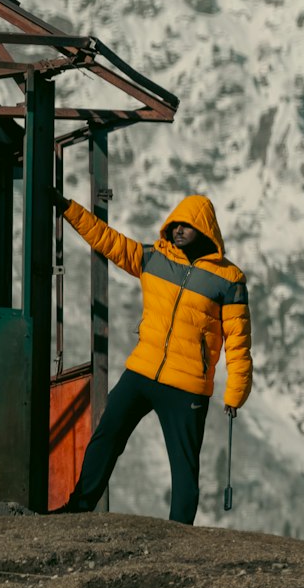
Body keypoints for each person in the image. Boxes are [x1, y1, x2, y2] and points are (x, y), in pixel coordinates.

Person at [50, 191, 251, 523]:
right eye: (175, 224)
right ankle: (79, 508)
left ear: (204, 229)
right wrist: (69, 209)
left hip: (187, 385)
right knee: (106, 435)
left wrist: (236, 392)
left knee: (184, 469)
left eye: (186, 225)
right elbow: (106, 239)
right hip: (142, 371)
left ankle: (178, 535)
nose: (178, 230)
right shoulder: (153, 258)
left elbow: (239, 342)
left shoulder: (230, 280)